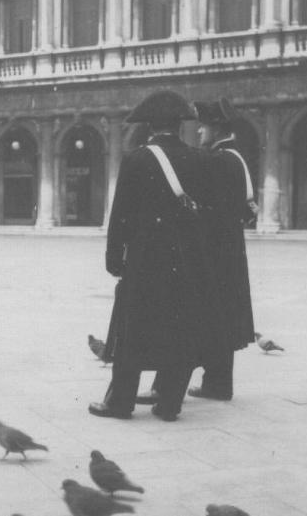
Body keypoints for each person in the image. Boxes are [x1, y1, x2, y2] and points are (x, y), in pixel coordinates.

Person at [88, 91, 227, 422]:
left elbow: (120, 214)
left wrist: (114, 256)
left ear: (150, 125)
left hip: (146, 260)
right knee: (181, 329)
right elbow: (210, 215)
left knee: (133, 328)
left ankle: (120, 402)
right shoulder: (201, 160)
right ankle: (169, 403)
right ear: (180, 125)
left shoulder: (137, 159)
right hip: (189, 260)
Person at [136, 98, 256, 404]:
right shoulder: (236, 158)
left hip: (210, 252)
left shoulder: (214, 160)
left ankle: (166, 387)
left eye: (203, 126)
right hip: (230, 251)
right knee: (222, 317)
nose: (199, 131)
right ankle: (217, 383)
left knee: (186, 317)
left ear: (215, 128)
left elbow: (200, 206)